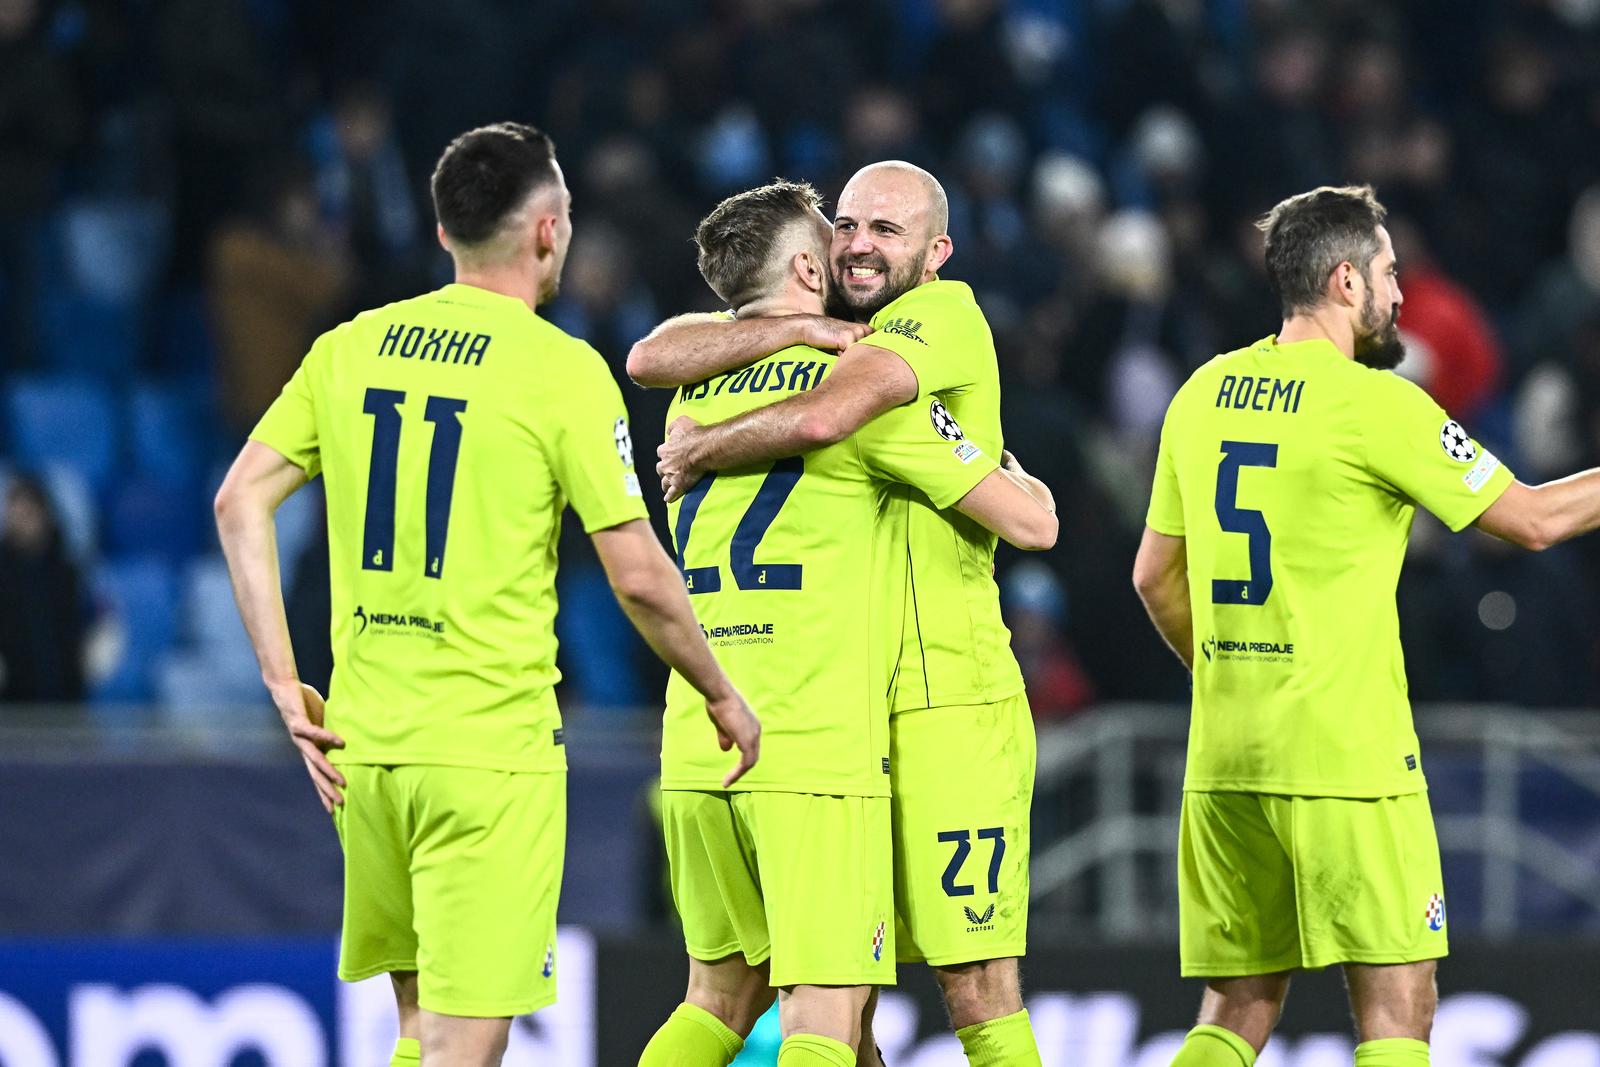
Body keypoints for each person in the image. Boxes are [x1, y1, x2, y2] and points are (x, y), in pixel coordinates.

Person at [214, 122, 758, 1067]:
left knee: (423, 1035)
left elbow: (239, 500)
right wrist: (719, 689)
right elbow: (637, 573)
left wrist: (280, 681)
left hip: (366, 750)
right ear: (547, 233)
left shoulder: (353, 346)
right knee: (465, 1047)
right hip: (485, 755)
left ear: (443, 235)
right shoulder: (559, 369)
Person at [1132, 183, 1600, 1067]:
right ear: (1345, 281)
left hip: (1227, 758)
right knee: (1399, 1006)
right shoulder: (1377, 405)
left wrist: (1233, 672)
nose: (1398, 295)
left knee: (1235, 1007)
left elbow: (1154, 576)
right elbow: (1533, 519)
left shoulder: (1201, 395)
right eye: (1389, 275)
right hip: (1347, 755)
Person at [635, 161, 1045, 1067]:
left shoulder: (923, 331)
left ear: (937, 251)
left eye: (883, 231)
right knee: (832, 1002)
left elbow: (662, 360)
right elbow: (1031, 518)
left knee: (969, 982)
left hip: (944, 699)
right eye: (845, 225)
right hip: (834, 716)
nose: (857, 243)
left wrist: (702, 443)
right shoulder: (845, 374)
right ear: (812, 265)